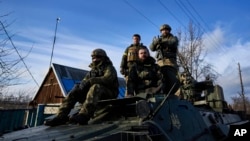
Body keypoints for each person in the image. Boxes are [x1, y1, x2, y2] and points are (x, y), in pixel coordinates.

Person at [44, 48, 119, 126]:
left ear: (103, 58)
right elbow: (85, 81)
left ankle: (84, 115)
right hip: (95, 94)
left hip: (110, 93)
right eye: (93, 58)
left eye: (98, 57)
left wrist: (91, 81)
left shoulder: (109, 68)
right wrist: (80, 87)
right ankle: (61, 116)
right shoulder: (92, 71)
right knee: (74, 91)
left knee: (96, 87)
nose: (95, 59)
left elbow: (108, 79)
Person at [149, 24, 180, 95]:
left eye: (166, 30)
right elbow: (151, 48)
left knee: (171, 77)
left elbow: (173, 43)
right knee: (161, 78)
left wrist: (162, 42)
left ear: (169, 30)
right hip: (160, 62)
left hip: (170, 61)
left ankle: (172, 93)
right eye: (163, 30)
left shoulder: (173, 38)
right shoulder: (158, 39)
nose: (164, 31)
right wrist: (156, 42)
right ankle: (162, 92)